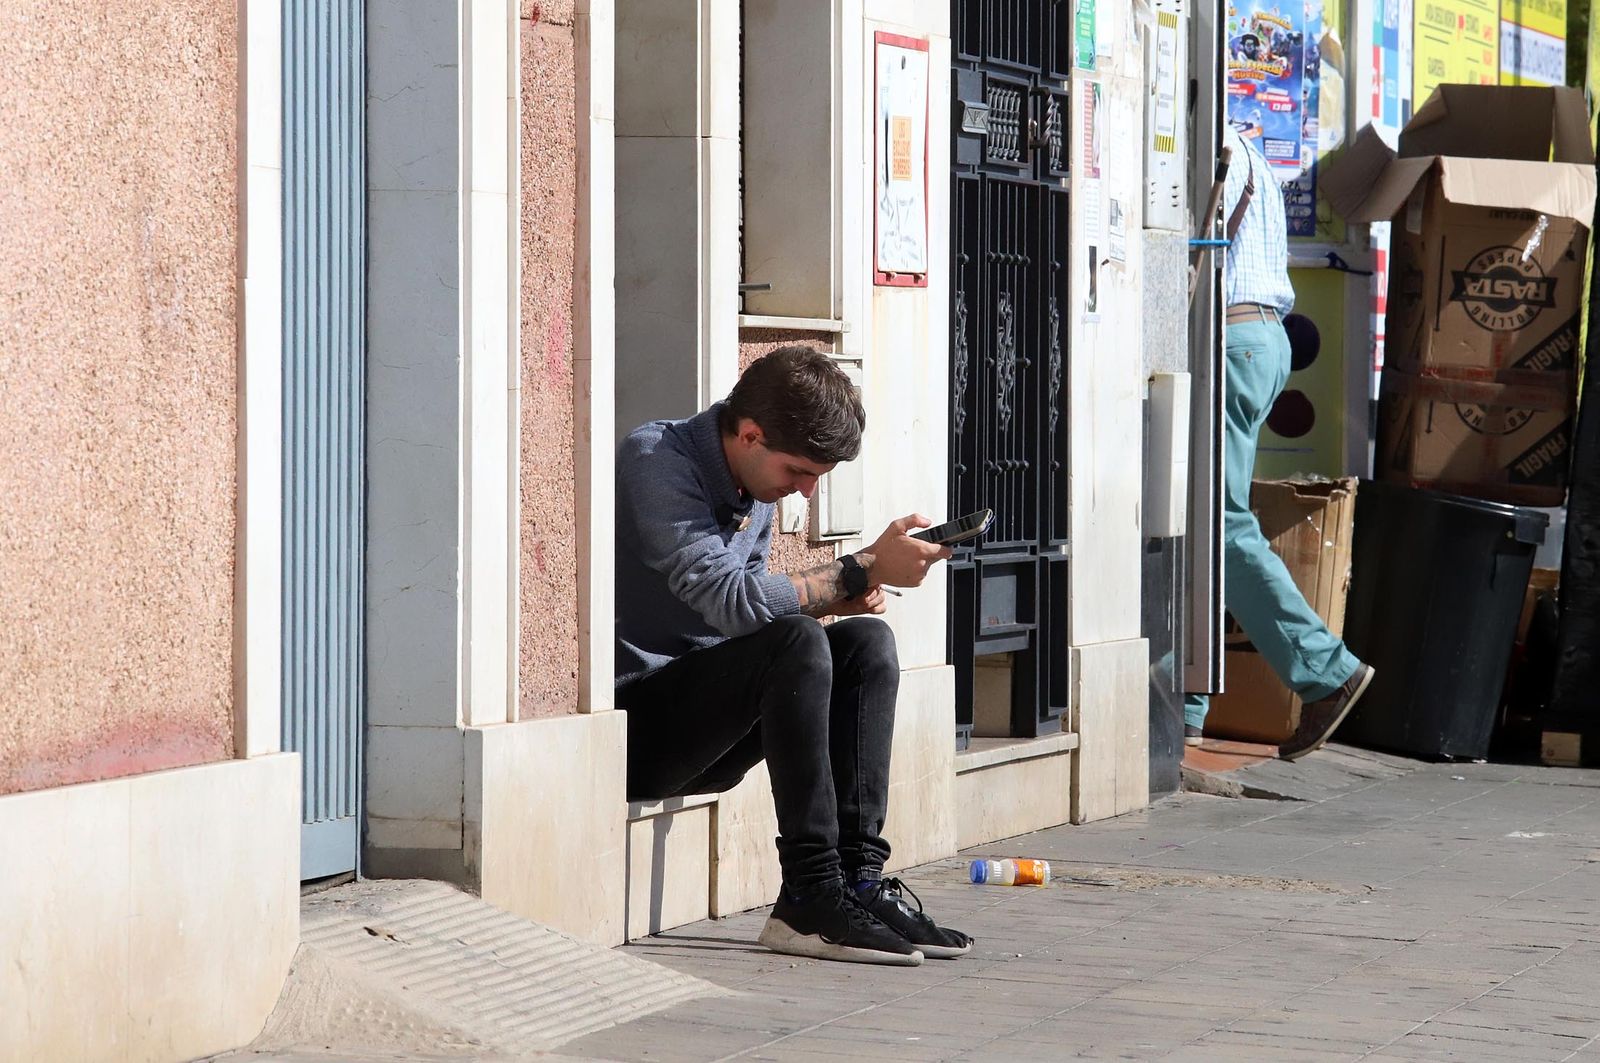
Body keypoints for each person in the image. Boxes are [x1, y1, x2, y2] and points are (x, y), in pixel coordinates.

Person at [615, 345, 972, 966]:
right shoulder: (657, 460)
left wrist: (846, 594)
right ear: (749, 434)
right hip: (636, 730)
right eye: (799, 472)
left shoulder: (751, 479)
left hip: (709, 727)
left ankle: (858, 881)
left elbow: (753, 611)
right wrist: (856, 568)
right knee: (798, 639)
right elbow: (731, 602)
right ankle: (808, 894)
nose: (805, 491)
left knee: (866, 643)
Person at [1185, 125, 1375, 761]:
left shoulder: (1208, 144)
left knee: (1219, 522)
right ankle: (1187, 703)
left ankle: (1326, 670)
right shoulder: (1254, 153)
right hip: (1265, 340)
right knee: (1195, 524)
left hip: (1231, 338)